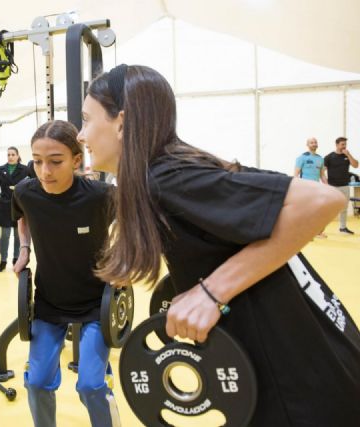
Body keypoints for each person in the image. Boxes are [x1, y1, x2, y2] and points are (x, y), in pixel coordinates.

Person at [78, 64, 360, 426]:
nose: (81, 134)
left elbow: (324, 200)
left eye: (87, 120)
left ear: (122, 122)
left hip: (306, 389)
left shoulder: (167, 177)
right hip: (320, 366)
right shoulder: (181, 165)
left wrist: (211, 292)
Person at [12, 120, 120, 427]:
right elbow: (22, 217)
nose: (44, 171)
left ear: (76, 160)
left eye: (55, 161)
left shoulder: (100, 195)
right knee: (36, 382)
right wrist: (24, 249)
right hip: (50, 301)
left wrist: (124, 255)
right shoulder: (25, 192)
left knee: (91, 385)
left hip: (97, 302)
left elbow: (133, 217)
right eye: (37, 161)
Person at [0, 146, 30, 272]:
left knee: (18, 234)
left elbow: (32, 183)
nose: (10, 157)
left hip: (19, 205)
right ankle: (3, 261)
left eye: (13, 154)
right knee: (5, 235)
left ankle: (16, 258)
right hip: (5, 206)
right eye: (8, 154)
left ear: (17, 156)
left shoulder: (25, 169)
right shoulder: (1, 169)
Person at [324, 136, 358, 234]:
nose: (344, 146)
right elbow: (322, 171)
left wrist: (349, 154)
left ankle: (343, 228)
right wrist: (325, 183)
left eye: (345, 144)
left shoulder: (346, 156)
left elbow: (356, 165)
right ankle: (320, 229)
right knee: (328, 208)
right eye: (342, 144)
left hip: (344, 186)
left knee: (344, 208)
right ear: (337, 145)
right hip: (332, 187)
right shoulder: (329, 157)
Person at [294, 137, 328, 237]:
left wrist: (327, 186)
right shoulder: (302, 158)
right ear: (307, 145)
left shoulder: (320, 159)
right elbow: (296, 174)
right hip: (305, 189)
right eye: (311, 142)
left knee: (317, 210)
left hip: (316, 189)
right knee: (305, 211)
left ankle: (317, 232)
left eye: (315, 142)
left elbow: (322, 175)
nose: (314, 144)